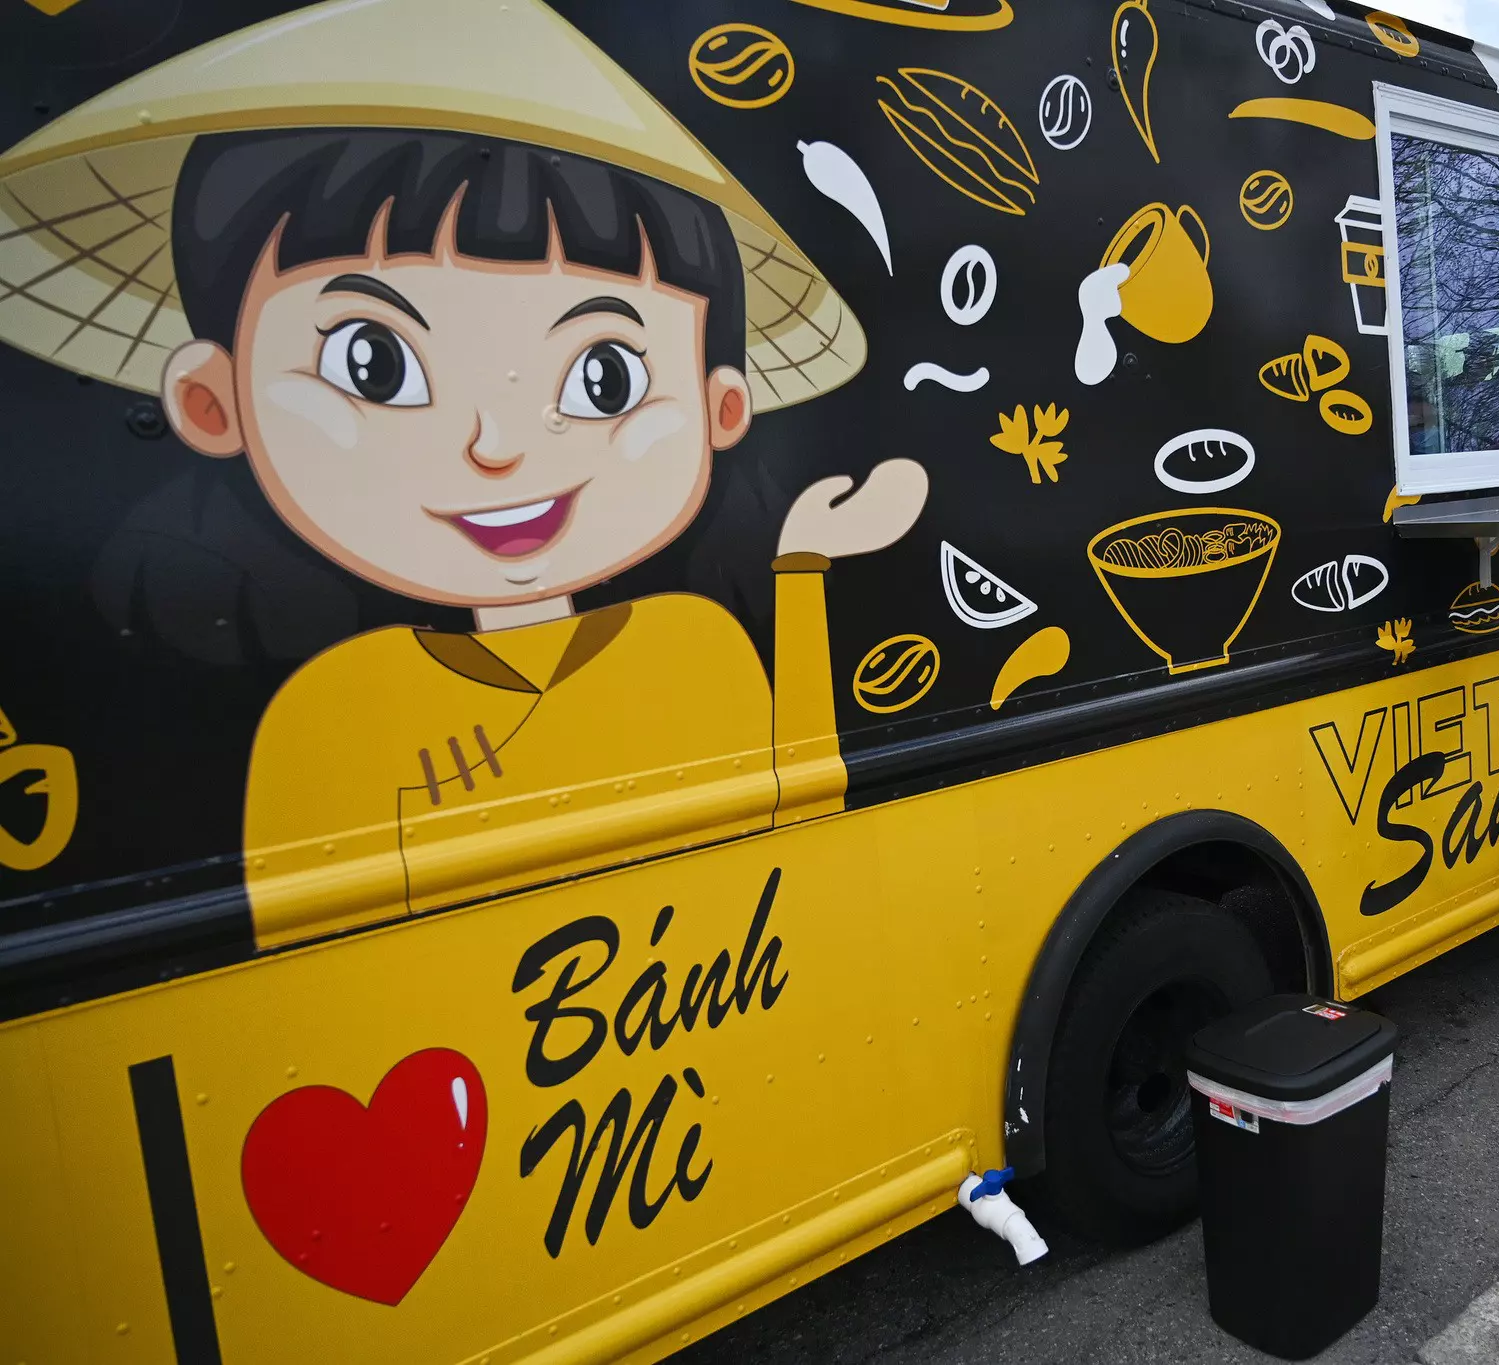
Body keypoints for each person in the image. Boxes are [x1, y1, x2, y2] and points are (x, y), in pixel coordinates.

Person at [0, 0, 927, 943]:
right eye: (375, 363)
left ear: (721, 408)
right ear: (212, 402)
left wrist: (803, 570)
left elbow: (798, 801)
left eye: (604, 375)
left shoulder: (701, 642)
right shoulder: (331, 710)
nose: (497, 445)